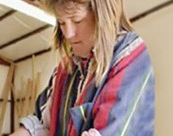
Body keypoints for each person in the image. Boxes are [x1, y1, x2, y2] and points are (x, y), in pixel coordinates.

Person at [10, 0, 155, 135]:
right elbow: (40, 124)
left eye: (77, 20)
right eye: (62, 23)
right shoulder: (65, 69)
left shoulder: (131, 57)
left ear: (103, 16)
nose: (68, 34)